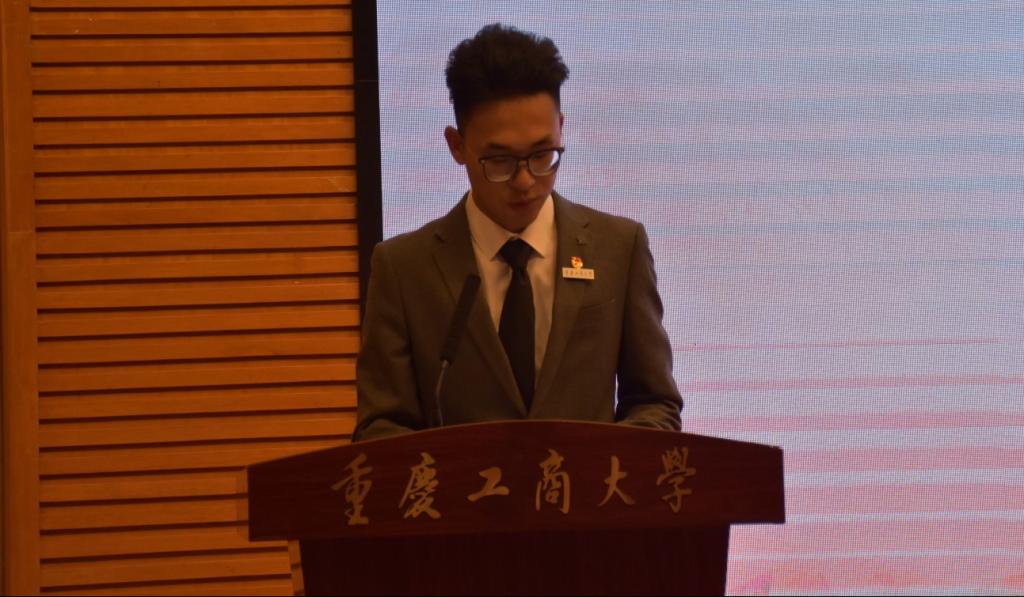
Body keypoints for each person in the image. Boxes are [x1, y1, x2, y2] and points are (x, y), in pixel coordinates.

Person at [353, 23, 682, 441]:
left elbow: (656, 404)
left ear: (561, 127)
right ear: (456, 145)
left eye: (543, 155)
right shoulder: (403, 269)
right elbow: (380, 427)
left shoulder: (619, 248)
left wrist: (599, 462)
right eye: (500, 161)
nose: (525, 181)